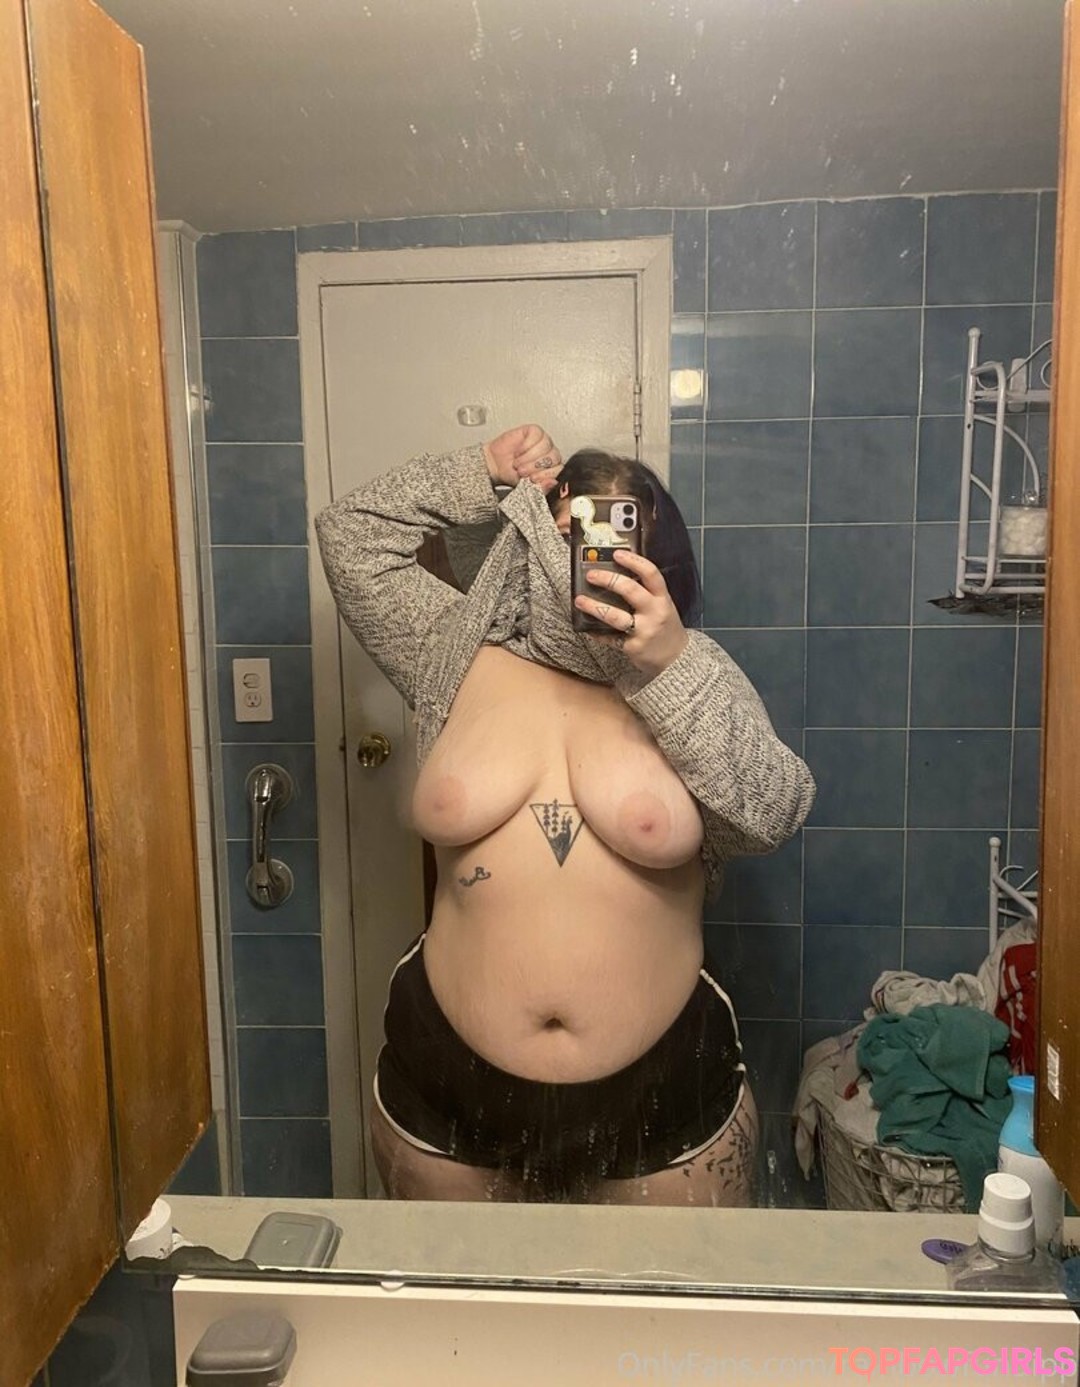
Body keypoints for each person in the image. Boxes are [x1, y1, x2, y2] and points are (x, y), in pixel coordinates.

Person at [315, 424, 815, 1205]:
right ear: (526, 538)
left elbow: (773, 809)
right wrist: (481, 471)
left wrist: (669, 666)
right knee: (453, 1291)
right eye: (567, 532)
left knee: (663, 1294)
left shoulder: (692, 666)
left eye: (613, 536)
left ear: (652, 552)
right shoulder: (453, 650)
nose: (586, 559)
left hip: (661, 1088)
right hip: (447, 1076)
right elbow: (350, 535)